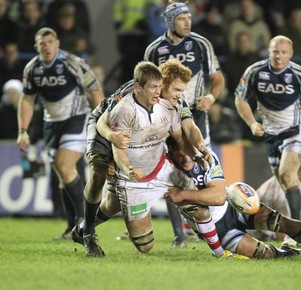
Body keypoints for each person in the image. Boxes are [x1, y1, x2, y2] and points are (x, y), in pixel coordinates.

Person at [73, 59, 220, 257]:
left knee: (115, 202)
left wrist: (197, 150)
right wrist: (111, 152)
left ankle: (81, 228)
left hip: (136, 142)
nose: (181, 95)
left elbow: (189, 128)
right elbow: (103, 122)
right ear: (163, 83)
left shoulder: (175, 102)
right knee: (99, 172)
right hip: (105, 128)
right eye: (176, 89)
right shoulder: (128, 95)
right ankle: (89, 235)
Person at [163, 137, 301, 260]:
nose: (185, 157)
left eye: (187, 151)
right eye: (179, 154)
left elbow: (217, 196)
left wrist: (183, 194)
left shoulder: (208, 159)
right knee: (265, 254)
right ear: (170, 153)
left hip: (234, 208)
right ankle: (289, 254)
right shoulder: (167, 173)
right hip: (218, 231)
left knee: (288, 224)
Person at [144, 1, 225, 245]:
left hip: (196, 118)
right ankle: (180, 235)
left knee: (200, 172)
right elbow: (145, 82)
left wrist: (210, 97)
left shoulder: (202, 44)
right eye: (181, 18)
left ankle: (204, 226)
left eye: (189, 18)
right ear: (169, 22)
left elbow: (218, 78)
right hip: (165, 119)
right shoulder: (154, 49)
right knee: (173, 172)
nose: (187, 22)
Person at [235, 35, 301, 222]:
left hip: (295, 131)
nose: (279, 56)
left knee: (287, 175)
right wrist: (251, 122)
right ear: (269, 52)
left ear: (291, 54)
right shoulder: (254, 71)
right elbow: (240, 98)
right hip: (270, 134)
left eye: (283, 52)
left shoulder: (300, 73)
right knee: (287, 183)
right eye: (275, 52)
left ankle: (294, 231)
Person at [17, 27, 104, 240]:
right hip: (51, 124)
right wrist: (23, 130)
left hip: (77, 119)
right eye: (42, 43)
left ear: (57, 43)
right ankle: (71, 227)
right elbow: (27, 99)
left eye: (50, 41)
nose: (46, 46)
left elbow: (94, 90)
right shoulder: (32, 69)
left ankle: (86, 225)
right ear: (36, 47)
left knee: (64, 166)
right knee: (63, 176)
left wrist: (101, 124)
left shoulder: (72, 63)